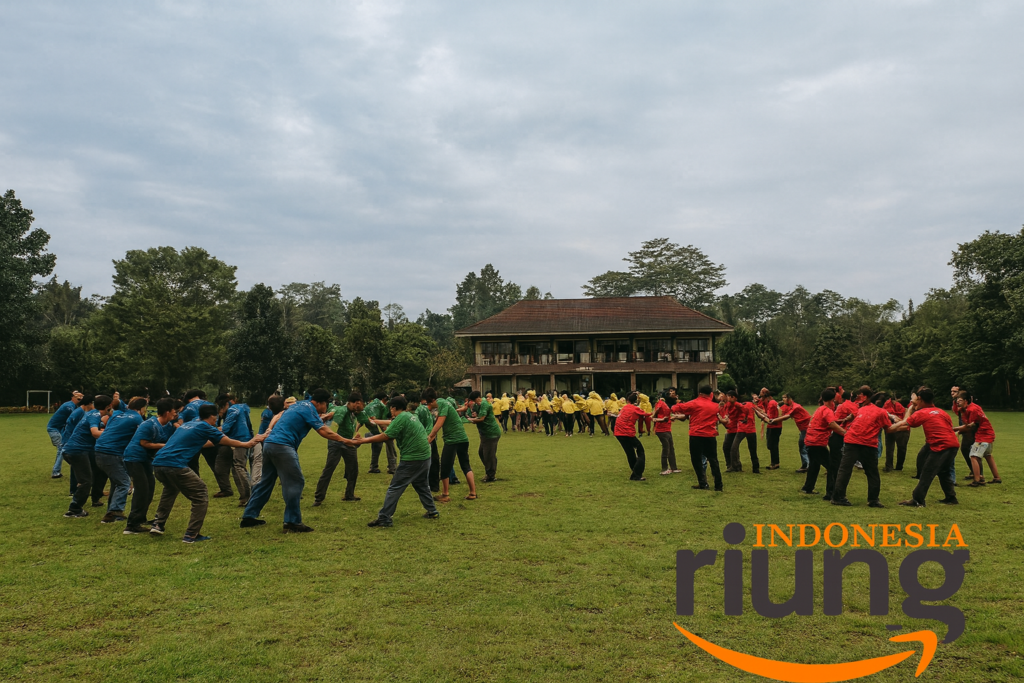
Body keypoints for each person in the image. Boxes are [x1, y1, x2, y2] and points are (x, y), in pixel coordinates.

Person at [241, 389, 350, 533]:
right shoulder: (309, 408)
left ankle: (249, 516)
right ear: (320, 403)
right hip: (283, 446)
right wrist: (346, 440)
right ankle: (292, 522)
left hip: (269, 444)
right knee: (295, 482)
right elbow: (324, 431)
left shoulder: (299, 405)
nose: (326, 408)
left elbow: (285, 417)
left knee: (266, 481)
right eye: (326, 405)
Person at [152, 404, 262, 542]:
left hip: (158, 464)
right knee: (201, 493)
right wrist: (247, 444)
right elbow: (225, 440)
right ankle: (191, 534)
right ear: (212, 416)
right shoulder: (206, 427)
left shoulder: (189, 425)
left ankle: (158, 524)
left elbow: (203, 443)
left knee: (170, 490)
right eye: (215, 417)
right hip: (175, 465)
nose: (216, 420)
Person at [357, 396, 439, 527]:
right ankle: (432, 511)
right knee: (421, 485)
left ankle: (384, 518)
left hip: (413, 458)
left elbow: (386, 436)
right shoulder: (409, 415)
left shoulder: (401, 418)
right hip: (425, 456)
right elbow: (392, 424)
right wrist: (377, 422)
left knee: (395, 487)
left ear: (393, 408)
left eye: (390, 408)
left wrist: (363, 440)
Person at [831, 390, 901, 507]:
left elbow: (854, 417)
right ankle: (873, 500)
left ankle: (837, 497)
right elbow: (888, 429)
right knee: (872, 472)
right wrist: (904, 424)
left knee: (844, 470)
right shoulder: (881, 412)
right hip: (867, 444)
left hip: (851, 441)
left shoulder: (862, 409)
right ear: (884, 403)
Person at [892, 388, 960, 507]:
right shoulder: (942, 412)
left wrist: (911, 408)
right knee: (944, 472)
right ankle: (951, 497)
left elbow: (906, 422)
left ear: (920, 399)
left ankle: (917, 500)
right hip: (952, 445)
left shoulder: (922, 412)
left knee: (927, 472)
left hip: (940, 446)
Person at [122, 397, 178, 534]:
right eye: (173, 411)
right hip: (134, 458)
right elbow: (144, 443)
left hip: (146, 460)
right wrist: (165, 446)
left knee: (150, 487)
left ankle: (140, 518)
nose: (175, 414)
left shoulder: (168, 426)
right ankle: (131, 525)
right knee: (141, 489)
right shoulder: (149, 424)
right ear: (166, 412)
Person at [93, 397, 149, 524]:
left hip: (99, 450)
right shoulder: (137, 418)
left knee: (116, 482)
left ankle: (112, 513)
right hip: (111, 453)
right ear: (142, 408)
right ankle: (115, 511)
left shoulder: (117, 415)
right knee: (124, 482)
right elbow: (141, 437)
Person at [314, 392, 372, 505]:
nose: (359, 407)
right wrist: (342, 440)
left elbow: (368, 422)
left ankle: (349, 495)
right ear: (352, 403)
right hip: (336, 443)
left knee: (353, 469)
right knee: (329, 469)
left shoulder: (356, 411)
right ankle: (318, 498)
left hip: (349, 442)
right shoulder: (342, 411)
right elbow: (333, 430)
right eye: (358, 405)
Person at [62, 395, 114, 518]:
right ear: (108, 406)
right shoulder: (94, 415)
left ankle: (95, 498)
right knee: (86, 481)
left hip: (78, 450)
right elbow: (95, 433)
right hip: (77, 451)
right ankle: (74, 509)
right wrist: (113, 433)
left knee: (99, 471)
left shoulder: (93, 414)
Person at [426, 388, 477, 502]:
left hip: (453, 440)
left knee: (445, 466)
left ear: (433, 400)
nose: (429, 406)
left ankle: (445, 495)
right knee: (465, 465)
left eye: (429, 403)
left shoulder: (442, 404)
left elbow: (439, 424)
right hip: (463, 438)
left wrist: (429, 437)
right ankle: (473, 493)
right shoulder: (444, 403)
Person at [673, 385, 724, 491]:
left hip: (696, 435)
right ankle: (718, 484)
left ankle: (703, 483)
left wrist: (678, 404)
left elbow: (675, 408)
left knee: (697, 460)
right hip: (710, 435)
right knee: (713, 459)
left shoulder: (694, 403)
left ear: (699, 393)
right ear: (710, 394)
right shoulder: (715, 406)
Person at [799, 389, 845, 496]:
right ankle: (830, 493)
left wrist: (844, 419)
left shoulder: (820, 409)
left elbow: (828, 421)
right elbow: (831, 424)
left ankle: (808, 487)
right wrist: (844, 432)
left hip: (810, 441)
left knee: (814, 465)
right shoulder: (827, 411)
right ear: (832, 400)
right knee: (832, 467)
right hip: (817, 443)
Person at [955, 391, 1002, 486]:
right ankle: (997, 477)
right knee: (988, 455)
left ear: (966, 400)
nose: (957, 402)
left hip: (983, 436)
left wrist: (953, 429)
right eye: (957, 401)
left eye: (960, 400)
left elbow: (970, 426)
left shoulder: (971, 410)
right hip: (989, 434)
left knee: (973, 456)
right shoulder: (974, 407)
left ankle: (978, 480)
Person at [178, 390, 220, 487]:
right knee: (215, 464)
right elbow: (215, 421)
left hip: (194, 438)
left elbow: (180, 420)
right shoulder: (210, 404)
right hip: (210, 436)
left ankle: (194, 484)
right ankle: (225, 487)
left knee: (192, 464)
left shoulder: (188, 407)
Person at [218, 396, 254, 506]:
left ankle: (248, 497)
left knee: (239, 466)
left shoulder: (232, 410)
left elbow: (226, 428)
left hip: (239, 439)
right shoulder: (242, 408)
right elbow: (249, 425)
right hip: (245, 438)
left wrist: (216, 427)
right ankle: (244, 495)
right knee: (237, 467)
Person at [45, 390, 83, 478]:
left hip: (60, 429)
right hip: (54, 429)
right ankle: (56, 472)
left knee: (64, 448)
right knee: (61, 449)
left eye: (81, 397)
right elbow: (74, 418)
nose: (80, 398)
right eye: (78, 397)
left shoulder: (73, 406)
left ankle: (73, 465)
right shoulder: (68, 406)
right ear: (73, 397)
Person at [466, 391, 501, 481]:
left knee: (488, 455)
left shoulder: (484, 404)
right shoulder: (478, 405)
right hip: (485, 433)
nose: (474, 402)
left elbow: (481, 418)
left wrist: (471, 419)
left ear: (478, 397)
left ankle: (490, 475)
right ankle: (491, 470)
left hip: (491, 433)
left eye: (474, 400)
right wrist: (473, 415)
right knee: (483, 453)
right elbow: (476, 415)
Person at [612, 392, 647, 480]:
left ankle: (635, 473)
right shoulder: (635, 408)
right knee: (640, 451)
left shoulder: (625, 407)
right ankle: (637, 474)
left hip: (618, 433)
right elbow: (647, 415)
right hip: (627, 433)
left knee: (630, 453)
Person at [774, 393, 812, 471]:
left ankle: (806, 465)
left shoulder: (796, 407)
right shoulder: (790, 406)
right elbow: (782, 415)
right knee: (805, 446)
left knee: (803, 446)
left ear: (789, 398)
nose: (783, 399)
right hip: (803, 429)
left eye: (784, 398)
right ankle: (808, 465)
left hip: (806, 428)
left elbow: (787, 416)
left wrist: (773, 420)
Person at [253, 395, 284, 485]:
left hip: (265, 438)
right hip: (271, 439)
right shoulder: (273, 414)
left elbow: (262, 427)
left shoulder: (266, 412)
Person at [727, 392, 760, 474]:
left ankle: (735, 466)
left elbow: (741, 407)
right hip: (751, 429)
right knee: (753, 450)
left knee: (734, 448)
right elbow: (759, 411)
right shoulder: (752, 405)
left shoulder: (740, 404)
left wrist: (733, 402)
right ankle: (756, 469)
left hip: (742, 429)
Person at [365, 391, 397, 474]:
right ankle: (392, 467)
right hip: (380, 425)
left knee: (376, 445)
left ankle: (373, 467)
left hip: (372, 426)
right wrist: (386, 430)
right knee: (390, 445)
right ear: (384, 399)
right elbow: (383, 420)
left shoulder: (370, 405)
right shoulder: (382, 405)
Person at [755, 390, 782, 470]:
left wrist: (760, 415)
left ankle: (775, 463)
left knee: (772, 445)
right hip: (773, 426)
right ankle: (774, 462)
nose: (760, 399)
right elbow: (768, 415)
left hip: (774, 427)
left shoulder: (771, 403)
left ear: (765, 396)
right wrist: (759, 411)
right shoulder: (771, 402)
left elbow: (769, 418)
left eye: (761, 397)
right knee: (771, 445)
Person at [652, 394, 679, 475]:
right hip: (661, 430)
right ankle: (664, 469)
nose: (675, 396)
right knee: (666, 448)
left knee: (671, 448)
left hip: (667, 428)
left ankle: (673, 468)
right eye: (672, 393)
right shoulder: (661, 403)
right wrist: (661, 419)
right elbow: (653, 417)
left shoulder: (668, 404)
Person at [882, 395, 909, 471]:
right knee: (902, 448)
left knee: (890, 447)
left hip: (891, 427)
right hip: (903, 428)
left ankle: (889, 466)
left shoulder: (887, 404)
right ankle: (899, 466)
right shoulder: (908, 404)